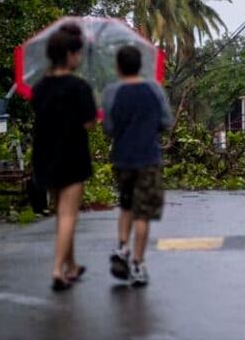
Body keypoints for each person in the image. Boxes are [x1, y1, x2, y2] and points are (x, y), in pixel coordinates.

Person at [30, 23, 97, 291]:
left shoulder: (40, 87)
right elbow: (90, 122)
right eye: (77, 53)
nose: (79, 58)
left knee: (61, 213)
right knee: (69, 215)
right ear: (70, 54)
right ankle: (58, 269)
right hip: (72, 154)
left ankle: (71, 264)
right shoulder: (79, 87)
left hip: (45, 155)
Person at [103, 45, 171, 286]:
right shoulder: (154, 89)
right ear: (140, 65)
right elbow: (165, 122)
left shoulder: (112, 92)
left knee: (126, 204)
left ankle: (122, 247)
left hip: (122, 158)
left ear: (118, 67)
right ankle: (138, 264)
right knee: (143, 214)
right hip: (148, 159)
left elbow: (108, 128)